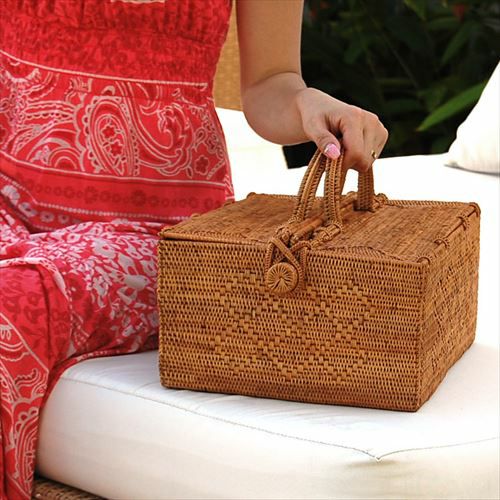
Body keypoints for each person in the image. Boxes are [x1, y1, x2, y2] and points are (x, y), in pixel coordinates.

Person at [0, 0, 388, 497]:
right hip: (9, 204)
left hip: (155, 236)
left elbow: (271, 83)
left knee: (10, 300)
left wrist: (308, 104)